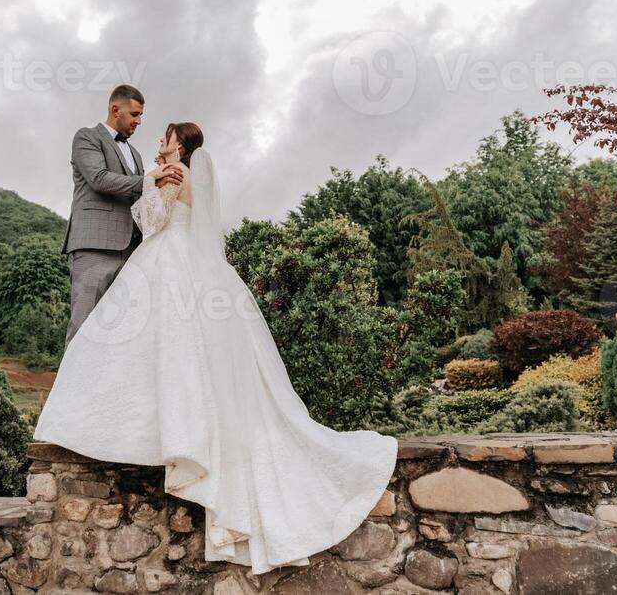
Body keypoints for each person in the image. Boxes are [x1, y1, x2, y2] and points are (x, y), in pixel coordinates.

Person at [37, 120, 397, 574]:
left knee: (145, 345)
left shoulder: (175, 176)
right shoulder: (193, 178)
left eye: (165, 137)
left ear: (179, 145)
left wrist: (153, 180)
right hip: (191, 268)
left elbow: (152, 222)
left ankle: (142, 427)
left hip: (166, 263)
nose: (159, 142)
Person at [62, 85, 185, 344]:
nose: (139, 121)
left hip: (132, 252)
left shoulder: (137, 154)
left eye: (141, 116)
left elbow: (141, 196)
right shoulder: (87, 137)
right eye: (135, 114)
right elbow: (99, 179)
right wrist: (149, 180)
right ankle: (73, 385)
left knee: (118, 333)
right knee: (83, 326)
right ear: (115, 109)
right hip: (94, 246)